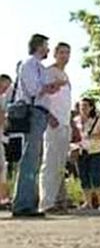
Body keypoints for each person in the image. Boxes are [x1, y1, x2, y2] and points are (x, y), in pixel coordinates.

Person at [12, 34, 61, 218]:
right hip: (32, 113)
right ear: (39, 46)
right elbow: (33, 90)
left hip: (39, 113)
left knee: (33, 159)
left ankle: (27, 202)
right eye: (46, 46)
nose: (48, 49)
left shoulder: (38, 66)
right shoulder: (29, 64)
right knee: (29, 159)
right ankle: (23, 205)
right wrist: (50, 87)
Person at [39, 42, 72, 214]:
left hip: (65, 124)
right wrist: (48, 116)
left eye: (67, 53)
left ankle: (59, 200)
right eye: (62, 53)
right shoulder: (48, 72)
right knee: (50, 163)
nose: (65, 56)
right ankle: (46, 203)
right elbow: (41, 95)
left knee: (60, 165)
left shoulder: (65, 75)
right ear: (55, 54)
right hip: (53, 124)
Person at [75, 97, 100, 210]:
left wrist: (92, 136)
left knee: (96, 177)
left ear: (91, 107)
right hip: (81, 151)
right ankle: (87, 202)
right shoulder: (76, 121)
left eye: (85, 105)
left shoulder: (98, 119)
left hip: (96, 151)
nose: (83, 108)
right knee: (83, 177)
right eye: (81, 106)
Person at [0, 74, 13, 207]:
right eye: (5, 85)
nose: (6, 89)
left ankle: (3, 198)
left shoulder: (3, 98)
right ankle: (3, 198)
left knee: (3, 167)